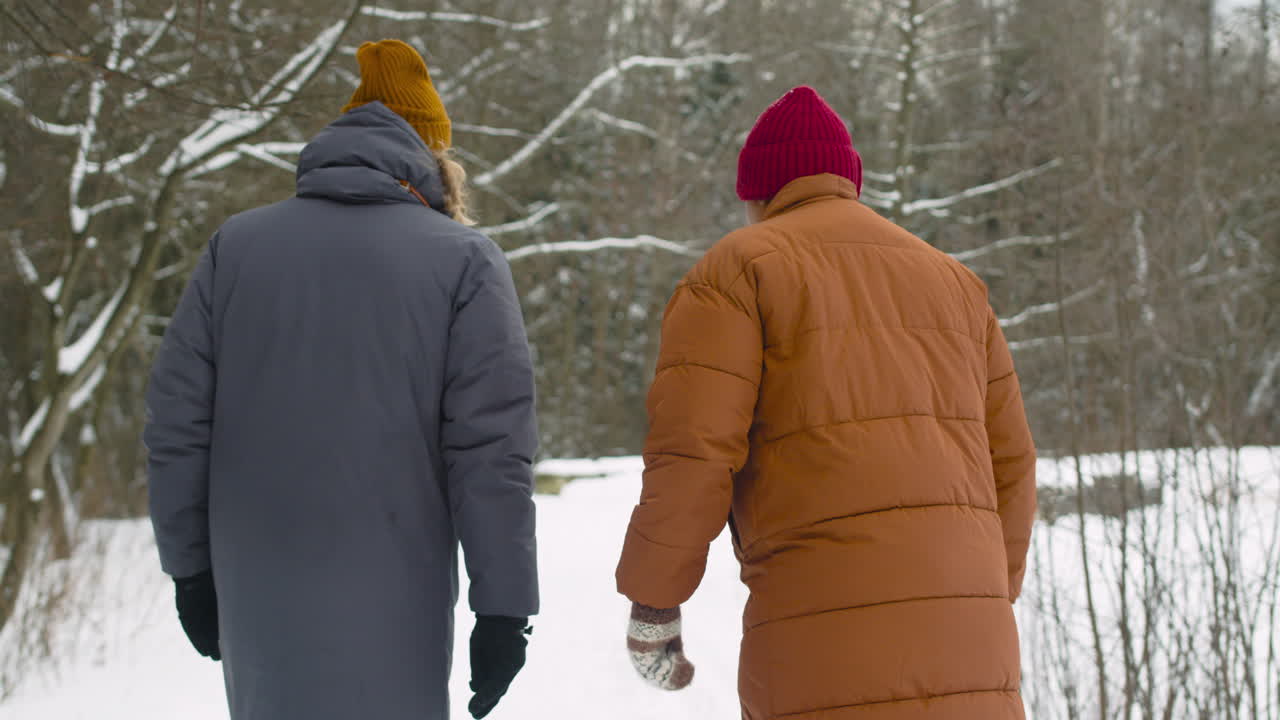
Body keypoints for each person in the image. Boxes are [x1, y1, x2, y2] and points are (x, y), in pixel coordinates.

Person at [144, 40, 538, 720]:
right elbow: (490, 452)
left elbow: (178, 424)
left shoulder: (234, 248)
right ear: (433, 155)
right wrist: (503, 608)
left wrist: (190, 568)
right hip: (395, 589)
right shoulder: (466, 262)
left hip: (259, 583)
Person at [616, 86, 1037, 720]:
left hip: (815, 637)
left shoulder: (738, 271)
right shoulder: (955, 282)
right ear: (850, 183)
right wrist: (980, 594)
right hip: (973, 649)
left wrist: (654, 600)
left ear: (758, 193)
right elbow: (1012, 461)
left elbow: (695, 449)